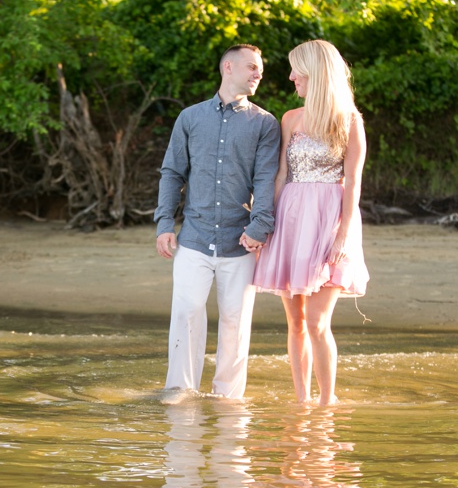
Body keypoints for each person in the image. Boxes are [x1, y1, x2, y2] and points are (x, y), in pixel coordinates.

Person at [154, 44, 281, 400]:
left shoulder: (265, 124)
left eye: (260, 69)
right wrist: (164, 223)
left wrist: (259, 227)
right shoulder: (190, 118)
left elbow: (266, 179)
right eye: (252, 67)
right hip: (193, 237)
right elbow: (172, 173)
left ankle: (228, 398)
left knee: (235, 323)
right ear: (228, 67)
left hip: (241, 241)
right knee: (187, 313)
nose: (258, 74)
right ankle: (180, 392)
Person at [252, 39, 370, 406]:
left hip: (328, 220)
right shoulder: (290, 118)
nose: (290, 77)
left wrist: (342, 236)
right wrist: (263, 225)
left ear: (316, 73)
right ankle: (301, 402)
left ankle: (326, 402)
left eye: (296, 71)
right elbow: (280, 174)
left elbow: (353, 183)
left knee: (318, 322)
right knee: (297, 322)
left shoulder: (349, 120)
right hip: (290, 219)